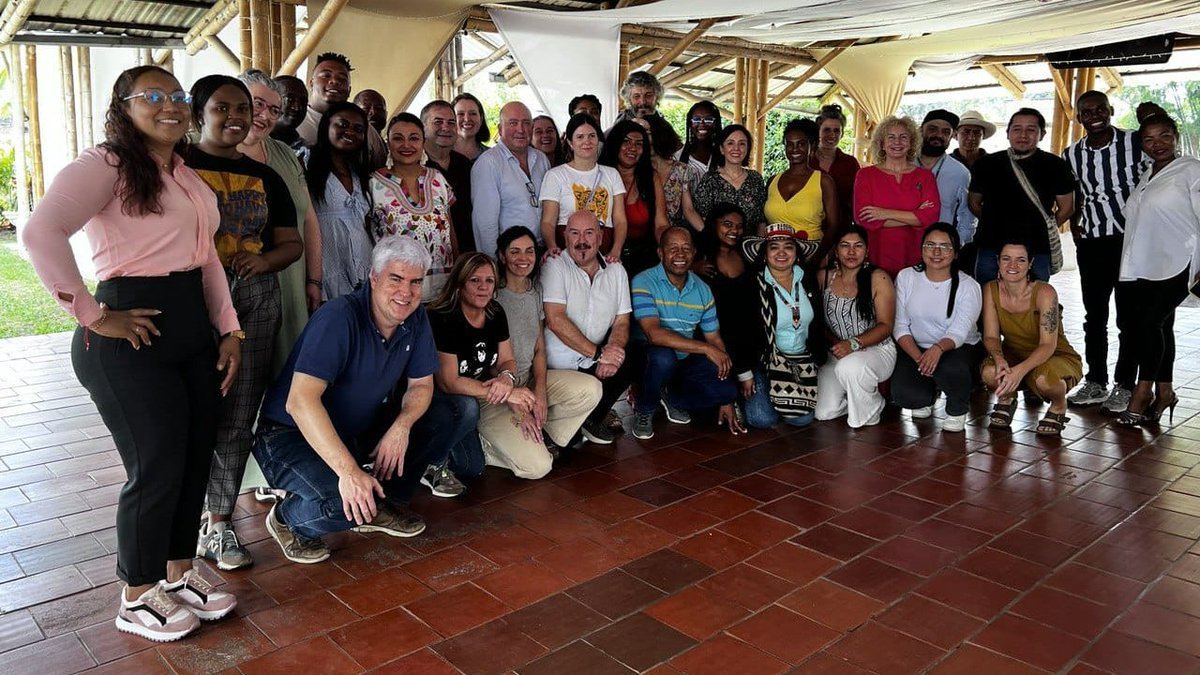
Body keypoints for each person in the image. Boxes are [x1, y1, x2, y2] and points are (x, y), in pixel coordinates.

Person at [21, 65, 239, 642]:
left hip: (193, 327)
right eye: (153, 96)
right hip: (130, 331)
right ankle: (137, 593)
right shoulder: (106, 165)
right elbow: (39, 232)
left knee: (195, 455)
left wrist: (230, 331)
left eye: (179, 96)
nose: (170, 104)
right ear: (123, 105)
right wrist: (92, 313)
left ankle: (176, 570)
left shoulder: (184, 173)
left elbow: (207, 259)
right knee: (157, 462)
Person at [253, 236, 444, 565]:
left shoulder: (415, 317)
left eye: (415, 282)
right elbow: (300, 402)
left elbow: (422, 384)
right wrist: (349, 472)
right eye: (395, 279)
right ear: (374, 278)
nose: (406, 293)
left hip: (351, 430)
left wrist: (401, 427)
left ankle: (383, 501)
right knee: (346, 505)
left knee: (445, 412)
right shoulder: (339, 317)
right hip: (288, 435)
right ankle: (287, 518)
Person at [185, 75, 301, 571]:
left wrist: (266, 261)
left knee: (238, 416)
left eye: (242, 108)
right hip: (187, 300)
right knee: (190, 415)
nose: (235, 117)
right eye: (222, 108)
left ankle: (218, 523)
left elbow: (290, 243)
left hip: (254, 298)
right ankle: (175, 523)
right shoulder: (176, 167)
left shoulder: (268, 176)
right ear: (198, 113)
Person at [493, 226, 603, 472]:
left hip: (528, 379)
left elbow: (539, 349)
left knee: (592, 388)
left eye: (529, 251)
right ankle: (486, 445)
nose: (523, 258)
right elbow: (488, 360)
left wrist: (540, 391)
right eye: (515, 252)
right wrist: (515, 401)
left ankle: (547, 438)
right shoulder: (493, 296)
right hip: (499, 390)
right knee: (538, 468)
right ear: (502, 256)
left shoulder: (535, 291)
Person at [236, 70, 323, 375]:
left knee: (289, 377)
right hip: (236, 290)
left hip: (291, 285)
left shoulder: (285, 154)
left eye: (274, 110)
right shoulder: (204, 152)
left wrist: (313, 280)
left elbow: (309, 220)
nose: (264, 115)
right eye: (257, 104)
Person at [1114, 112, 1198, 427]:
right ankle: (1166, 391)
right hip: (1147, 263)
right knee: (1158, 326)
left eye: (1164, 135)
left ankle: (1143, 390)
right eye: (1149, 139)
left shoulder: (1191, 170)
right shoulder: (1148, 173)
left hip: (1182, 259)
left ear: (1175, 136)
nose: (1157, 144)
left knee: (1149, 324)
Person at [1063, 91, 1143, 413]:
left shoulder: (1135, 143)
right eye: (1087, 111)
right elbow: (1074, 194)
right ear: (1079, 117)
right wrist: (1076, 223)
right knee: (1094, 317)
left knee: (1129, 318)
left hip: (1130, 242)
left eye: (1100, 109)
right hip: (1093, 244)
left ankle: (1125, 386)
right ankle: (1096, 381)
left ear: (1110, 111)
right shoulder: (1071, 155)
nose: (1094, 115)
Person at [424, 252, 530, 487]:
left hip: (471, 393)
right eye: (475, 280)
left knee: (472, 467)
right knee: (468, 407)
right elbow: (449, 382)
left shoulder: (495, 312)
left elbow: (507, 360)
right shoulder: (443, 317)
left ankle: (441, 443)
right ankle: (430, 463)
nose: (483, 287)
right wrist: (509, 394)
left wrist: (506, 378)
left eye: (489, 281)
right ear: (460, 284)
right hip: (434, 398)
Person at [629, 227, 739, 439]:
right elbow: (654, 335)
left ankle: (669, 395)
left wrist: (726, 394)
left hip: (682, 360)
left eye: (686, 249)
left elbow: (714, 338)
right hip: (647, 359)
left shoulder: (702, 289)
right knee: (663, 358)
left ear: (694, 253)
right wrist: (706, 349)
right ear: (660, 253)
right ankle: (646, 408)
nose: (680, 254)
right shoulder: (643, 281)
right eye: (673, 248)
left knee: (728, 391)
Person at [542, 211, 636, 445]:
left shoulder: (616, 271)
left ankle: (591, 419)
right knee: (567, 447)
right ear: (565, 237)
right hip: (560, 368)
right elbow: (555, 320)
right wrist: (599, 354)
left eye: (589, 233)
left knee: (636, 354)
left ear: (601, 237)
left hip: (594, 363)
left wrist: (612, 353)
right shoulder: (554, 265)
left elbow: (622, 322)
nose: (581, 240)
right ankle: (570, 425)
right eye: (574, 233)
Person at [981, 239, 1083, 437]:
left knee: (1045, 381)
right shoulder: (990, 289)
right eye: (1006, 259)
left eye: (1020, 260)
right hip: (1014, 354)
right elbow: (991, 336)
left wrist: (1019, 372)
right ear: (998, 262)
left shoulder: (1044, 292)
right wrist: (1000, 359)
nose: (1012, 266)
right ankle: (1006, 399)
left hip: (1053, 355)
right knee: (990, 372)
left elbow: (1047, 345)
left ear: (1030, 263)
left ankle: (1059, 405)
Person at [892, 223, 983, 432]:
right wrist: (919, 358)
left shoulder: (969, 286)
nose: (936, 252)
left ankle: (957, 409)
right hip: (916, 347)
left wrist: (937, 350)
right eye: (930, 245)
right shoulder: (907, 277)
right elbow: (900, 325)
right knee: (906, 395)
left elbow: (958, 332)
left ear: (956, 252)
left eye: (945, 247)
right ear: (922, 248)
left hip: (957, 349)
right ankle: (928, 394)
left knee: (951, 368)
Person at [968, 108, 1076, 281]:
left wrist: (1042, 225)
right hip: (990, 245)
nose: (1023, 135)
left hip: (1037, 247)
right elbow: (973, 203)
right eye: (1017, 129)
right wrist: (994, 220)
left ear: (1042, 134)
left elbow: (1067, 207)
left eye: (1031, 130)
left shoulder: (1055, 165)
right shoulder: (986, 164)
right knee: (988, 297)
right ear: (1008, 133)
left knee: (1035, 299)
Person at [738, 224, 825, 428]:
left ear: (796, 252)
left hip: (799, 360)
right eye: (774, 247)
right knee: (762, 419)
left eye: (788, 247)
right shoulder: (750, 283)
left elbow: (818, 324)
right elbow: (739, 332)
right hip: (762, 361)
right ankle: (745, 397)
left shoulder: (808, 280)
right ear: (765, 253)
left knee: (802, 419)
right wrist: (745, 374)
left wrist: (817, 361)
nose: (782, 253)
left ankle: (776, 397)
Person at [815, 226, 897, 428]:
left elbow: (886, 326)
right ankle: (860, 402)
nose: (851, 252)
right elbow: (816, 322)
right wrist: (838, 344)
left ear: (867, 251)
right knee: (824, 412)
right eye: (845, 246)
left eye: (858, 246)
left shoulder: (879, 278)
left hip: (876, 350)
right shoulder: (823, 277)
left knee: (850, 367)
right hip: (837, 351)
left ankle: (871, 410)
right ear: (836, 251)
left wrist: (852, 344)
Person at [370, 112, 458, 298]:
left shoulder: (438, 178)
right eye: (398, 138)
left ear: (423, 143)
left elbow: (450, 232)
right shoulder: (372, 184)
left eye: (414, 138)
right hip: (397, 292)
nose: (406, 145)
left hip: (443, 290)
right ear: (388, 143)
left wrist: (458, 276)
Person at [693, 204, 763, 432]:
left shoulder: (748, 255)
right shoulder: (700, 258)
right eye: (727, 224)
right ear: (714, 224)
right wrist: (694, 268)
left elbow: (752, 314)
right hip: (714, 349)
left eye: (740, 226)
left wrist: (745, 370)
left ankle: (737, 389)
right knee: (703, 415)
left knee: (762, 418)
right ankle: (726, 395)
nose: (735, 230)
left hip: (748, 350)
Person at [853, 115, 940, 277]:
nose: (897, 142)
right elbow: (863, 218)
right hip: (876, 259)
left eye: (903, 137)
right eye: (891, 137)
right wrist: (915, 216)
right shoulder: (865, 175)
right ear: (882, 144)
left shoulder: (925, 177)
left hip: (916, 259)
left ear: (911, 143)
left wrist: (884, 213)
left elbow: (930, 217)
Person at [305, 102, 375, 301]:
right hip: (326, 271)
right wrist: (312, 280)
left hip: (364, 270)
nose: (350, 132)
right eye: (342, 124)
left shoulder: (360, 171)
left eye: (358, 129)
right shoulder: (306, 163)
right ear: (327, 125)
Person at [540, 113, 627, 259]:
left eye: (592, 136)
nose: (587, 141)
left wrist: (616, 250)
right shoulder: (555, 175)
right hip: (567, 253)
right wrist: (552, 246)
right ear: (570, 142)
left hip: (604, 254)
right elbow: (548, 221)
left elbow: (620, 220)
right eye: (580, 137)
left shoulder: (612, 174)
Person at [471, 101, 550, 258]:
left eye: (526, 123)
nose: (520, 129)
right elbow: (485, 224)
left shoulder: (541, 158)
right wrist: (494, 263)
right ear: (500, 129)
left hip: (542, 252)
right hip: (509, 256)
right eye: (513, 123)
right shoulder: (488, 163)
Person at [601, 120, 669, 275]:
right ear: (615, 143)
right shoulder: (599, 175)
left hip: (643, 257)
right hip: (604, 255)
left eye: (639, 144)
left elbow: (660, 223)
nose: (632, 148)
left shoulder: (651, 178)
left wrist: (668, 247)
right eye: (626, 142)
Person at [296, 53, 386, 168]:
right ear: (311, 83)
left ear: (349, 90)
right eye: (326, 75)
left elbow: (380, 173)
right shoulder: (296, 123)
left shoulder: (365, 129)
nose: (334, 81)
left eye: (342, 78)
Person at [765, 118, 839, 245]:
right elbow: (764, 224)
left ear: (812, 145)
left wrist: (817, 259)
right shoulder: (772, 181)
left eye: (801, 144)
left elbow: (834, 226)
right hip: (776, 256)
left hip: (812, 254)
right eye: (790, 144)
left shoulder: (823, 181)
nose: (795, 149)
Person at [421, 99, 475, 253]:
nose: (446, 127)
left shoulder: (465, 165)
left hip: (467, 254)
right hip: (428, 257)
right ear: (423, 127)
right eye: (438, 122)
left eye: (451, 122)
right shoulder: (414, 167)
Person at [693, 124, 768, 233]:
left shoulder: (755, 179)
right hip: (718, 247)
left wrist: (758, 246)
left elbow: (761, 220)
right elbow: (701, 215)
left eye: (742, 144)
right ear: (722, 149)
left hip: (749, 245)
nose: (736, 148)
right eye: (730, 143)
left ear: (748, 149)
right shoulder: (710, 179)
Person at [918, 109, 975, 246]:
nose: (938, 135)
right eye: (932, 129)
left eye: (946, 132)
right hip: (902, 244)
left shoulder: (959, 172)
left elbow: (967, 217)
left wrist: (956, 244)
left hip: (938, 250)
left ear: (952, 136)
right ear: (920, 130)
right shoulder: (903, 165)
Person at [645, 114, 704, 231]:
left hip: (673, 235)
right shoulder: (635, 170)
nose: (643, 138)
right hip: (641, 233)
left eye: (648, 134)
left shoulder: (682, 170)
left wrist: (709, 236)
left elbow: (689, 211)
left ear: (660, 135)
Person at [810, 104, 860, 226]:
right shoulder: (806, 161)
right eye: (827, 130)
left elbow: (857, 200)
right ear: (818, 131)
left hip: (842, 230)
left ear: (842, 134)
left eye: (836, 131)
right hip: (808, 229)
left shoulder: (850, 163)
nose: (832, 135)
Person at [678, 100, 721, 192]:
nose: (702, 124)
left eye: (708, 119)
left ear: (715, 124)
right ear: (690, 124)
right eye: (696, 119)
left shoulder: (723, 155)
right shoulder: (678, 156)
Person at [271, 74, 308, 150]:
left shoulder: (308, 152)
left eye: (303, 102)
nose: (297, 107)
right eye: (289, 100)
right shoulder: (251, 144)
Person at [452, 92, 490, 161]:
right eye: (460, 114)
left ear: (481, 119)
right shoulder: (441, 155)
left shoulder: (492, 156)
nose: (467, 119)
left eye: (473, 113)